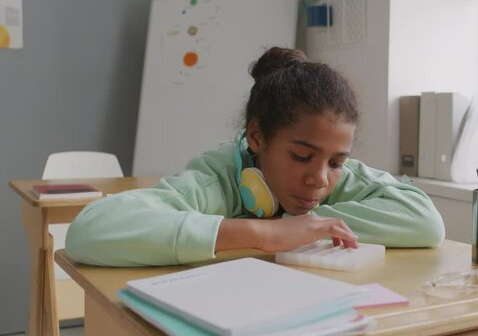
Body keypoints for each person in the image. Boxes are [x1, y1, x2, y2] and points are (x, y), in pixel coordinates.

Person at [66, 47, 445, 267]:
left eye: (336, 161)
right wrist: (265, 232)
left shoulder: (329, 178)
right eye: (300, 156)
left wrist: (309, 223)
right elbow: (88, 231)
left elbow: (425, 221)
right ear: (257, 136)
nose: (320, 179)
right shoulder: (218, 180)